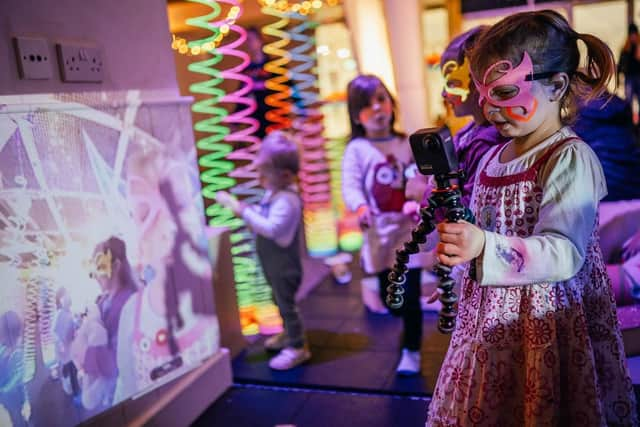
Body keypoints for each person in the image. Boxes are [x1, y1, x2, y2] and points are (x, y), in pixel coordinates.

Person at [427, 10, 638, 425]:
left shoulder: (569, 159)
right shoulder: (492, 155)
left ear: (556, 85)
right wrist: (462, 267)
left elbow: (563, 251)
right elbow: (487, 226)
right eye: (483, 93)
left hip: (546, 320)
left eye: (504, 93)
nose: (488, 108)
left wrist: (485, 247)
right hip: (491, 316)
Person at [342, 74, 425, 375]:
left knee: (412, 295)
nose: (377, 109)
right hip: (378, 235)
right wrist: (360, 206)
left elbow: (418, 177)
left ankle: (412, 350)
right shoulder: (357, 149)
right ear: (356, 115)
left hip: (407, 231)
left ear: (391, 103)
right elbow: (350, 185)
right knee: (392, 301)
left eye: (381, 99)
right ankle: (405, 329)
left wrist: (417, 200)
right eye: (367, 105)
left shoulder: (406, 143)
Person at [216, 131, 310, 370]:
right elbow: (266, 213)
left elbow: (271, 228)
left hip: (284, 267)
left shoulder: (287, 201)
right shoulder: (275, 193)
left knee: (286, 305)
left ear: (285, 175)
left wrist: (242, 210)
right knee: (276, 300)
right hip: (273, 264)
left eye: (264, 174)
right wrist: (252, 209)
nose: (259, 178)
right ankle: (288, 334)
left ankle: (298, 347)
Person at [618, 23, 640, 116]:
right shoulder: (625, 49)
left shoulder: (639, 47)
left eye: (634, 34)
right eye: (631, 34)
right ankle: (629, 120)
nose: (633, 37)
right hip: (629, 78)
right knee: (628, 100)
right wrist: (618, 78)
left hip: (638, 77)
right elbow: (620, 64)